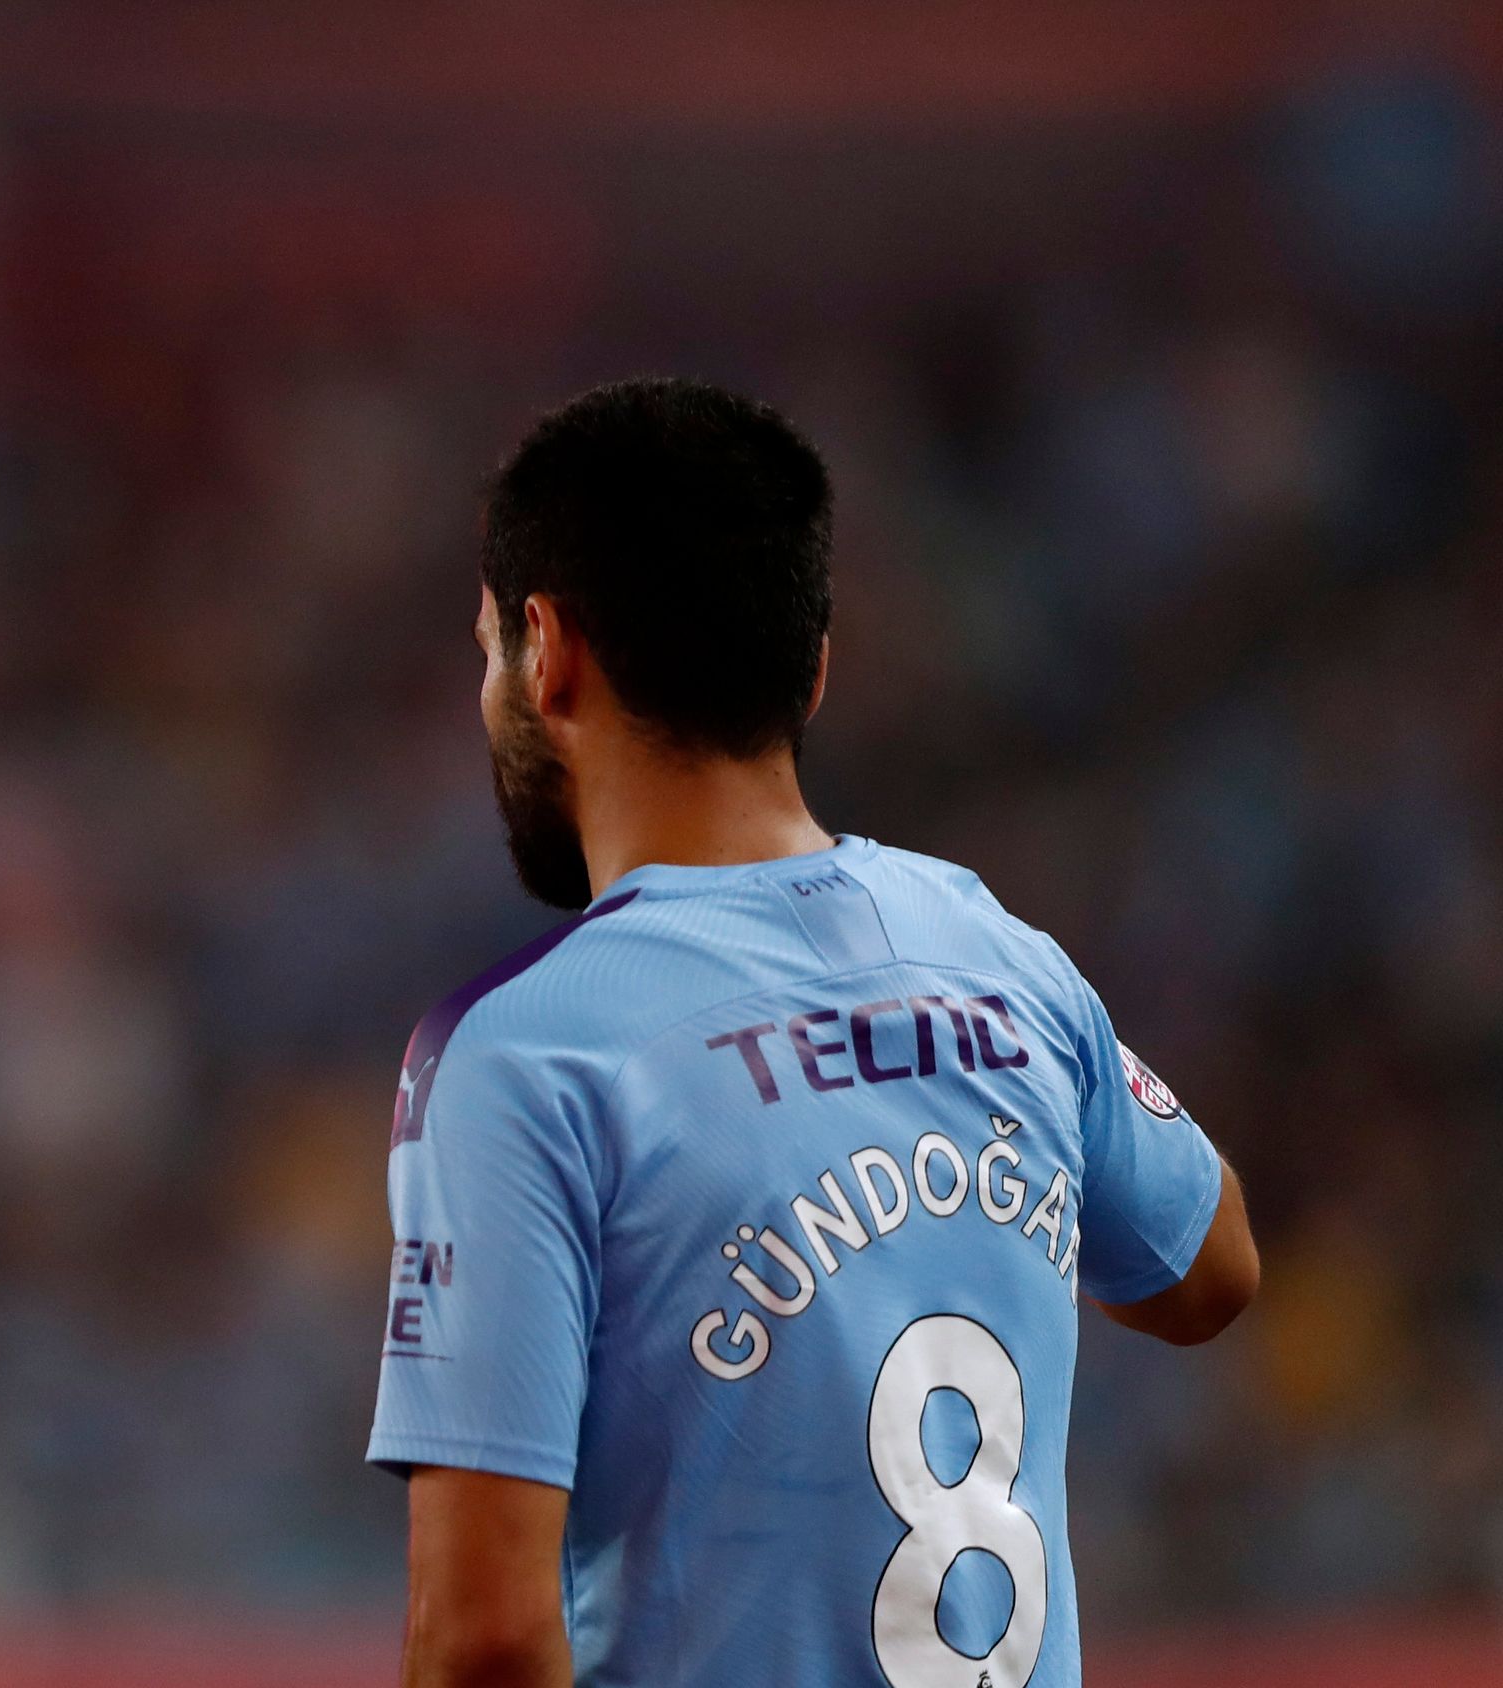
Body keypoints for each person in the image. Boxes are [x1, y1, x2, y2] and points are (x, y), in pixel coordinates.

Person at [372, 379, 1260, 1688]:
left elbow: (487, 1638)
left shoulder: (521, 1056)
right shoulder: (1000, 956)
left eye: (485, 647)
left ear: (545, 651)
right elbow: (1211, 1266)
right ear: (817, 667)